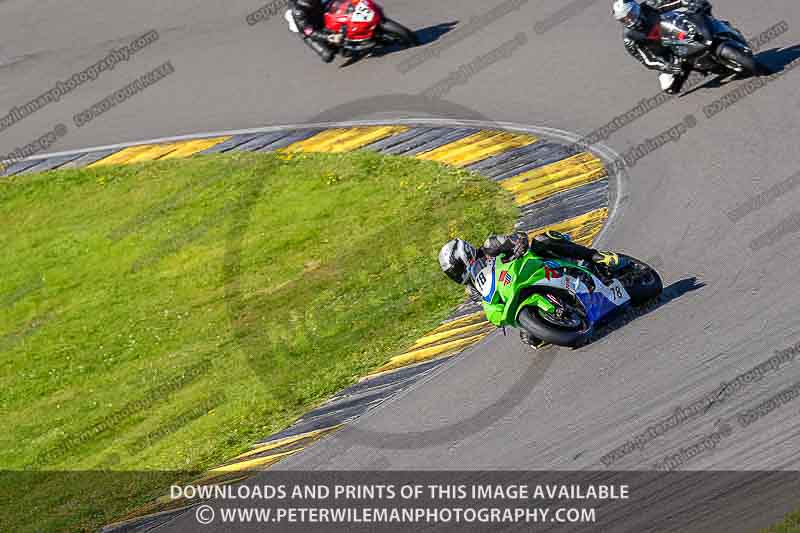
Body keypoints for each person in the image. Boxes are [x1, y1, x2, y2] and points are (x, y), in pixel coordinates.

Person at [438, 231, 624, 305]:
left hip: (534, 266)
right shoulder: (472, 289)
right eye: (452, 274)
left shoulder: (490, 246)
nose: (457, 275)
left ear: (464, 255)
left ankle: (594, 256)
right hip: (519, 293)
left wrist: (517, 244)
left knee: (543, 240)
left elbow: (518, 237)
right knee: (531, 338)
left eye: (456, 269)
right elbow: (491, 306)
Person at [612, 0, 713, 94]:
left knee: (701, 8)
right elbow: (646, 60)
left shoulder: (650, 6)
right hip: (670, 55)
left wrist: (691, 4)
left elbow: (677, 2)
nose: (630, 20)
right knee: (669, 87)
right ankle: (689, 67)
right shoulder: (629, 38)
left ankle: (717, 29)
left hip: (678, 31)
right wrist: (665, 66)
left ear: (636, 8)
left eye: (630, 15)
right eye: (624, 19)